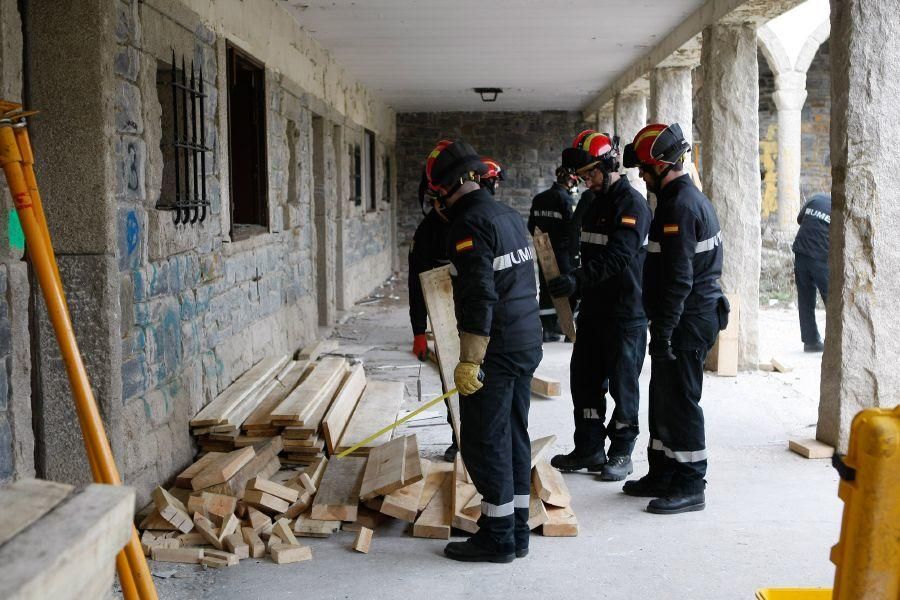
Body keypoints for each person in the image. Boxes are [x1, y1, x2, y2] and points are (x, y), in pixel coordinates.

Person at [424, 140, 542, 563]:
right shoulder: (506, 214)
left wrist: (470, 357)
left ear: (448, 188)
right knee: (513, 434)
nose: (435, 202)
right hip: (526, 340)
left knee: (482, 439)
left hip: (498, 345)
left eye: (436, 194)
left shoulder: (469, 224)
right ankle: (517, 530)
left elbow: (479, 294)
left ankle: (496, 537)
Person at [622, 123, 728, 515]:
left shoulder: (679, 206)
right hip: (684, 316)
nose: (641, 177)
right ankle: (663, 472)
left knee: (681, 401)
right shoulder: (678, 199)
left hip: (688, 319)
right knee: (663, 397)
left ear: (661, 165)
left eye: (644, 170)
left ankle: (690, 483)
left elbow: (680, 277)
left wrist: (664, 330)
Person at [546, 132, 651, 482]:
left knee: (624, 386)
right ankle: (589, 447)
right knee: (585, 381)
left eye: (591, 173)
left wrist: (578, 280)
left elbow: (619, 256)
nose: (586, 181)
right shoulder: (591, 202)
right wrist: (573, 291)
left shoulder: (631, 204)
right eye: (582, 176)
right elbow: (585, 252)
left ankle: (622, 452)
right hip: (594, 310)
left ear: (609, 165)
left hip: (625, 312)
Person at [408, 155, 460, 462]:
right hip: (446, 315)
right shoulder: (428, 232)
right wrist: (418, 330)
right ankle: (459, 435)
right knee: (453, 380)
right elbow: (417, 283)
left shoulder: (476, 218)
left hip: (485, 312)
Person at [527, 163, 579, 341]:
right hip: (562, 252)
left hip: (544, 251)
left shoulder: (540, 198)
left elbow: (531, 225)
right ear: (570, 181)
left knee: (546, 288)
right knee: (566, 287)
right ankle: (567, 330)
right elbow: (572, 229)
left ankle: (547, 329)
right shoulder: (566, 200)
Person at [792, 193, 831, 352]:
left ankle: (811, 342)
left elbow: (800, 219)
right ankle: (836, 341)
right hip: (821, 257)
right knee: (832, 300)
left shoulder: (816, 199)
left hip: (801, 253)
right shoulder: (841, 208)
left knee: (805, 297)